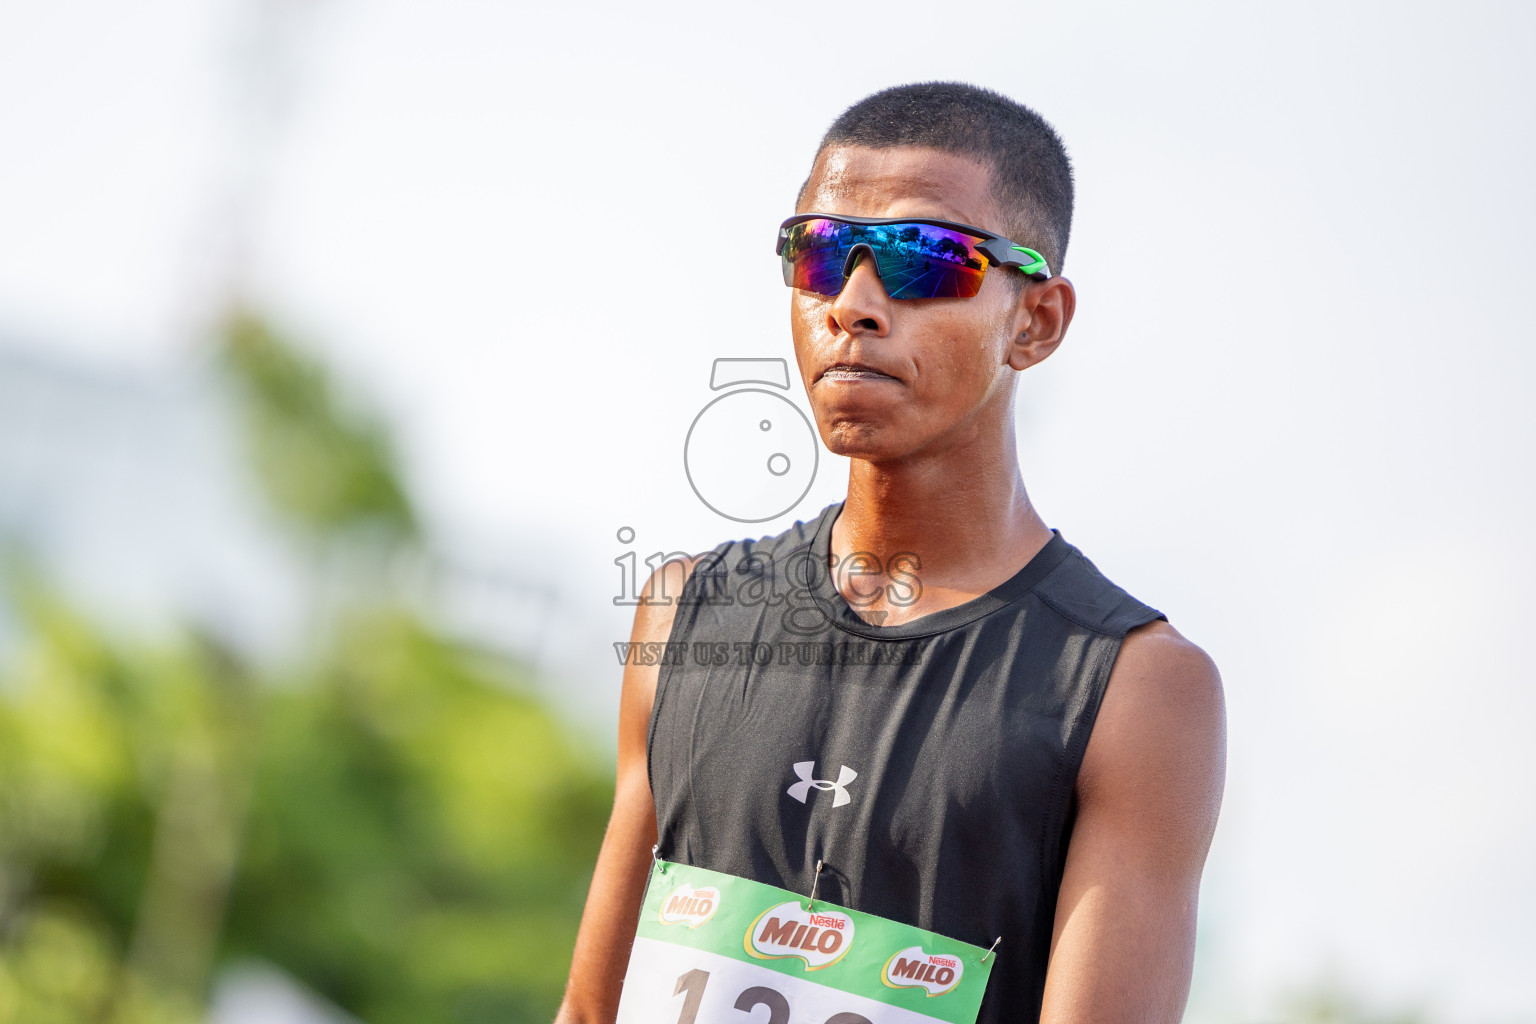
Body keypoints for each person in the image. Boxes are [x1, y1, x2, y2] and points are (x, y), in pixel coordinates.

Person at [555, 82, 1226, 1024]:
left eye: (924, 260)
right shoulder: (682, 613)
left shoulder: (1136, 692)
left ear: (1035, 321)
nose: (855, 303)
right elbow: (590, 1012)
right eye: (821, 254)